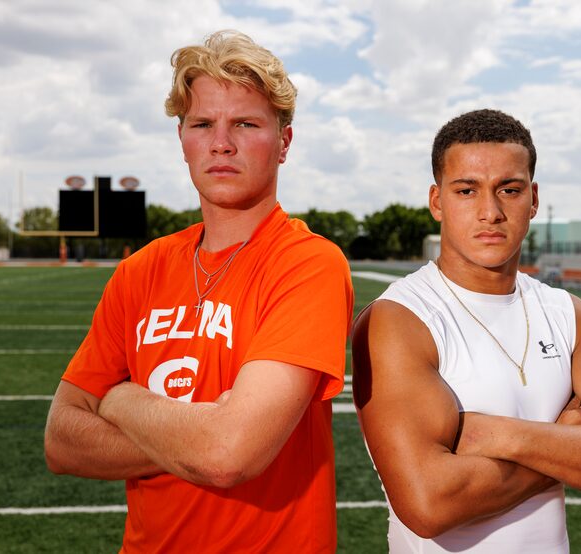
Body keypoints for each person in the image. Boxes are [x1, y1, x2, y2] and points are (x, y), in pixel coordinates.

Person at [44, 30, 353, 553]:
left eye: (246, 124)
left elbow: (228, 455)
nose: (221, 142)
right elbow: (61, 441)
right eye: (203, 123)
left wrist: (118, 399)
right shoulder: (140, 270)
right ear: (182, 139)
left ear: (284, 142)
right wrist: (200, 431)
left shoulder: (307, 264)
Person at [351, 109, 581, 553]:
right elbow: (429, 503)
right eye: (467, 190)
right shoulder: (401, 318)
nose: (491, 212)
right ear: (437, 201)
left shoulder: (567, 313)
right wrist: (570, 437)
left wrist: (498, 436)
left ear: (533, 198)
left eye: (509, 189)